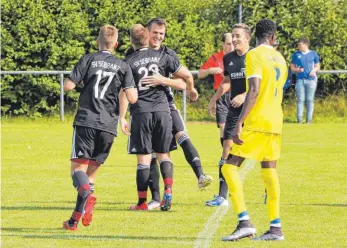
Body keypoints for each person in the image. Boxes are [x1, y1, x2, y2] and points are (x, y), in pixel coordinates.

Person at [62, 25, 138, 230]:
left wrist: (79, 81)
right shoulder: (123, 66)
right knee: (89, 177)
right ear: (116, 44)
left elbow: (68, 86)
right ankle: (73, 221)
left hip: (86, 121)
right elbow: (132, 97)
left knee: (77, 171)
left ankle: (87, 196)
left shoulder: (88, 59)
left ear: (98, 42)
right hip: (108, 126)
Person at [221, 19, 287, 241]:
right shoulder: (280, 58)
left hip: (258, 121)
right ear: (272, 36)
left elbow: (255, 90)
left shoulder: (254, 55)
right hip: (276, 122)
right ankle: (275, 227)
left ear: (256, 36)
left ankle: (244, 222)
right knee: (269, 171)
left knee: (229, 168)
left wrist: (240, 121)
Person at [144, 17, 213, 210]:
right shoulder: (136, 52)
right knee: (150, 152)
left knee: (182, 136)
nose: (158, 37)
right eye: (155, 32)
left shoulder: (168, 54)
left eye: (161, 34)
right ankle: (157, 198)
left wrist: (164, 81)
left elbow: (184, 80)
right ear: (147, 32)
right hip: (143, 109)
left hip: (166, 105)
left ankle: (200, 175)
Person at [120, 24, 188, 211]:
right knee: (163, 154)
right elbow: (183, 82)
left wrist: (122, 116)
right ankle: (168, 189)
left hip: (141, 112)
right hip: (163, 111)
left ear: (131, 40)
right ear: (148, 37)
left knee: (143, 159)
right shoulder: (162, 56)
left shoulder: (128, 62)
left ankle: (142, 202)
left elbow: (125, 92)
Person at [206, 24, 251, 207]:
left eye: (238, 36)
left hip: (254, 109)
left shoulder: (254, 57)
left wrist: (245, 95)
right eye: (232, 36)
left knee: (264, 153)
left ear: (247, 37)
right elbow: (226, 81)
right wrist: (215, 99)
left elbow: (262, 84)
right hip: (234, 110)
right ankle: (222, 196)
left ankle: (267, 192)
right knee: (227, 150)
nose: (234, 39)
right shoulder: (229, 58)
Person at [198, 33, 234, 147]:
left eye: (233, 43)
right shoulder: (216, 58)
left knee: (236, 128)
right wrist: (210, 70)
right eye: (228, 44)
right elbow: (200, 74)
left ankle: (234, 154)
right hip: (221, 97)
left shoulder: (239, 57)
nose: (231, 47)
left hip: (236, 95)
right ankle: (226, 156)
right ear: (223, 44)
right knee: (223, 127)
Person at [290, 37, 320, 124]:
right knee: (300, 99)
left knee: (310, 99)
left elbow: (318, 66)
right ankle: (299, 119)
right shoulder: (296, 54)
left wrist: (314, 70)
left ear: (306, 44)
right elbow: (292, 67)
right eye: (298, 45)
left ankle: (309, 120)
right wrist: (297, 70)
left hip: (311, 80)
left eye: (300, 44)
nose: (299, 46)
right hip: (300, 80)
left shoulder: (314, 54)